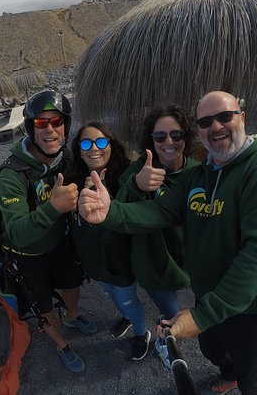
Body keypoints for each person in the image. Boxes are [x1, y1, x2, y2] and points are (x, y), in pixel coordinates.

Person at [78, 91, 257, 394]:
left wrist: (202, 316)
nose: (216, 127)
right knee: (213, 350)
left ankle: (241, 378)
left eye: (224, 117)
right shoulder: (199, 176)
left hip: (254, 309)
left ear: (242, 118)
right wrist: (110, 212)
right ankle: (229, 373)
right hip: (208, 295)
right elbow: (159, 211)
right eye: (206, 121)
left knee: (254, 378)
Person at [0, 89, 97, 373]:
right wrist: (53, 207)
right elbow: (15, 232)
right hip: (26, 254)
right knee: (43, 307)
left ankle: (73, 315)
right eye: (41, 123)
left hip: (58, 244)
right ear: (30, 128)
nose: (50, 130)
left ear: (65, 125)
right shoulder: (12, 174)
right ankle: (61, 344)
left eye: (57, 122)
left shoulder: (65, 158)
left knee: (72, 287)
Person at [116, 104, 200, 367]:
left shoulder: (199, 171)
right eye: (159, 136)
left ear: (186, 137)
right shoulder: (139, 172)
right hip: (154, 262)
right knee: (173, 315)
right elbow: (117, 211)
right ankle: (165, 344)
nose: (168, 142)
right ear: (150, 140)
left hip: (190, 258)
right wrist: (136, 186)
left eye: (176, 135)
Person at [65, 121, 152, 361]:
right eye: (86, 142)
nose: (94, 148)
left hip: (120, 262)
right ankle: (126, 316)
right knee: (112, 295)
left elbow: (133, 215)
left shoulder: (126, 177)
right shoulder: (73, 180)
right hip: (94, 261)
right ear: (79, 149)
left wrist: (106, 198)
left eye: (101, 141)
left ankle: (141, 332)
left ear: (112, 146)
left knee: (127, 298)